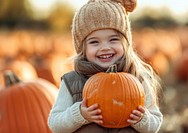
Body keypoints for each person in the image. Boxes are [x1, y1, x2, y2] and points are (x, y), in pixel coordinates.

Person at [48, 0, 163, 132]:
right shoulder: (72, 82)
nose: (105, 48)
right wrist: (79, 114)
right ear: (82, 49)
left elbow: (155, 123)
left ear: (125, 43)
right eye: (94, 42)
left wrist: (142, 120)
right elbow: (55, 124)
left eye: (113, 39)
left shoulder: (138, 77)